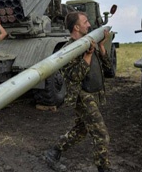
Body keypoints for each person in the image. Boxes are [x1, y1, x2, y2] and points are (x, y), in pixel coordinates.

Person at [44, 12, 113, 172]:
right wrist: (87, 55)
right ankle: (104, 168)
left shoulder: (89, 42)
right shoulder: (68, 50)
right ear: (76, 27)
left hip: (94, 94)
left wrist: (101, 46)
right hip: (82, 97)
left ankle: (54, 152)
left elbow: (109, 70)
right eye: (85, 21)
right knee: (101, 135)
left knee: (81, 130)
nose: (89, 25)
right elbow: (75, 76)